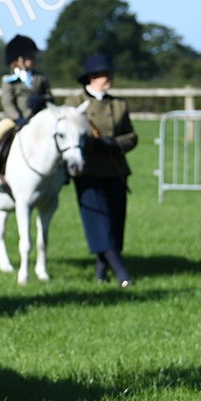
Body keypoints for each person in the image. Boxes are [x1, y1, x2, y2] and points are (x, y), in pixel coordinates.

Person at [68, 53, 137, 287]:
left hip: (116, 170)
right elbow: (68, 135)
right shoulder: (74, 102)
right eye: (104, 74)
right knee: (99, 223)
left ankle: (101, 269)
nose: (109, 78)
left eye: (110, 74)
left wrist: (114, 144)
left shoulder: (119, 104)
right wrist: (91, 144)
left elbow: (132, 136)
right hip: (89, 171)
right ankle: (121, 273)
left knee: (115, 223)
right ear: (91, 77)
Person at [0, 34, 54, 184]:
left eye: (33, 56)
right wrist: (18, 117)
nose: (34, 59)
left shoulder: (41, 78)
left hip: (37, 118)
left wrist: (42, 99)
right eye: (30, 57)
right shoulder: (8, 80)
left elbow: (50, 96)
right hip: (14, 118)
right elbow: (7, 102)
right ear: (19, 60)